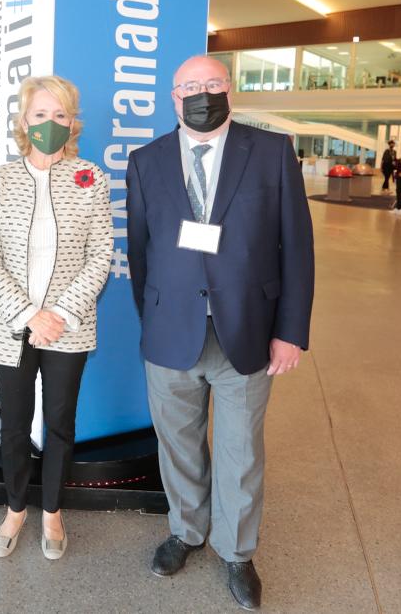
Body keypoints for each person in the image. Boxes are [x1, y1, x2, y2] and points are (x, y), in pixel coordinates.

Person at [126, 55, 314, 611]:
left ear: (230, 89)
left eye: (212, 84)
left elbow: (297, 250)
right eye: (190, 87)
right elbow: (142, 253)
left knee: (240, 452)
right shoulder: (146, 161)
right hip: (171, 333)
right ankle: (186, 532)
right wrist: (155, 316)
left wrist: (291, 332)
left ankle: (237, 551)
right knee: (178, 446)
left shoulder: (272, 152)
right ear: (172, 97)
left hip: (249, 333)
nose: (202, 94)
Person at [0, 76, 113, 561]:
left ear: (72, 122)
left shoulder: (91, 178)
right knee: (14, 425)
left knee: (59, 423)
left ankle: (52, 510)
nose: (49, 123)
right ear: (23, 121)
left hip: (68, 328)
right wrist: (30, 314)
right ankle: (15, 508)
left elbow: (101, 257)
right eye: (40, 115)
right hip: (12, 325)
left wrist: (59, 314)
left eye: (60, 115)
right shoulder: (1, 179)